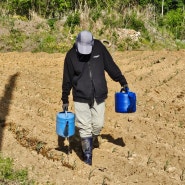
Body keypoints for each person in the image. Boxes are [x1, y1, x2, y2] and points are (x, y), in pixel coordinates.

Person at [61, 30, 128, 165]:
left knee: (98, 124)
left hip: (98, 94)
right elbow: (67, 79)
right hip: (80, 96)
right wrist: (65, 98)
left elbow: (110, 66)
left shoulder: (99, 47)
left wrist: (122, 80)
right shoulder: (71, 56)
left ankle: (92, 139)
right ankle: (87, 158)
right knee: (85, 126)